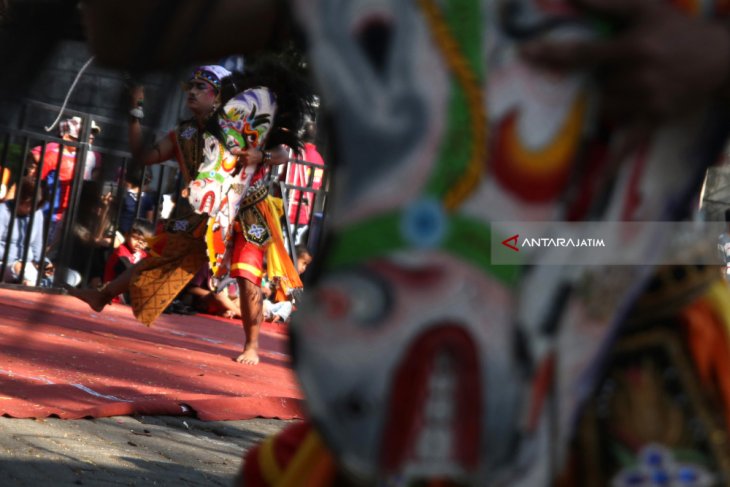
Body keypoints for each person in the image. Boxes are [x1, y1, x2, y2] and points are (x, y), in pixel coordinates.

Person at [69, 62, 313, 367]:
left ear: (219, 96)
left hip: (249, 210)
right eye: (192, 86)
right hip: (208, 212)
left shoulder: (242, 124)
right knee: (162, 254)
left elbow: (283, 152)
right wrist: (136, 112)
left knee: (247, 275)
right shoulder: (182, 133)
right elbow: (145, 156)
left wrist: (260, 155)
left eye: (202, 87)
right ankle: (102, 297)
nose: (193, 92)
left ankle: (252, 344)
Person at [28, 116, 101, 241]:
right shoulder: (53, 154)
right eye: (78, 138)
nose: (88, 140)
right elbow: (37, 179)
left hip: (70, 212)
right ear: (67, 137)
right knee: (43, 240)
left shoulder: (86, 157)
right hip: (51, 211)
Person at [284, 120, 325, 245]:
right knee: (294, 251)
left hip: (289, 211)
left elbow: (285, 180)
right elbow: (317, 185)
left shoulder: (296, 155)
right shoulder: (319, 159)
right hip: (306, 213)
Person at [0, 177, 45, 285]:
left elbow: (37, 246)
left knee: (47, 278)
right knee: (27, 276)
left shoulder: (38, 214)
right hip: (3, 262)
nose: (32, 209)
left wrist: (44, 263)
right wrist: (14, 261)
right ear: (20, 199)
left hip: (26, 263)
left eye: (36, 205)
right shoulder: (3, 211)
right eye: (29, 204)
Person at [103, 219, 153, 302]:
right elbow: (127, 274)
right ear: (126, 235)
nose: (139, 243)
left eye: (144, 241)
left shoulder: (144, 255)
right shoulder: (121, 252)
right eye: (136, 238)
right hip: (115, 297)